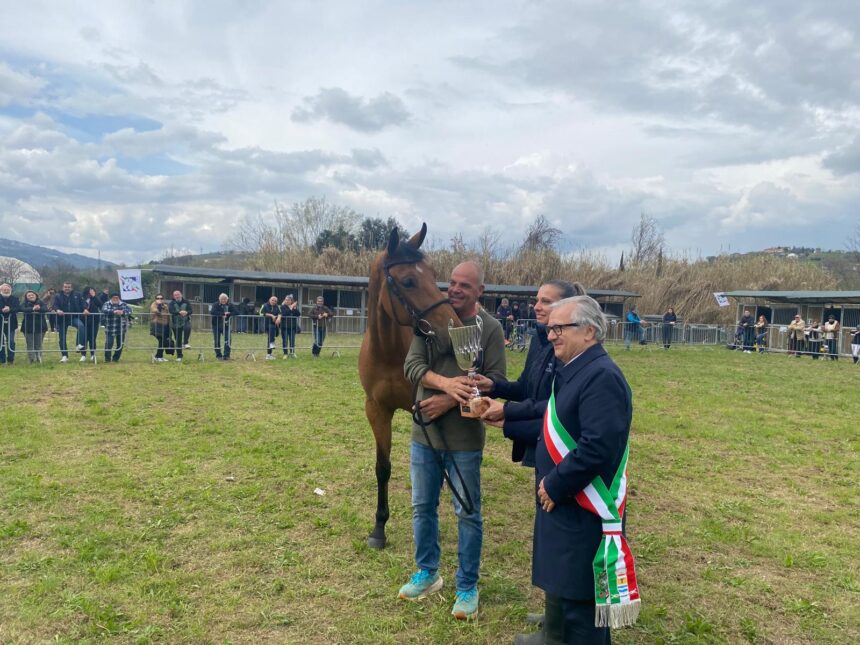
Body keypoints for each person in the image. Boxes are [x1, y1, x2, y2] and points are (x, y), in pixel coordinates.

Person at [526, 295, 638, 644]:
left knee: (583, 617)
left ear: (589, 331)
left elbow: (598, 446)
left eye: (560, 328)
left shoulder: (601, 377)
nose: (551, 336)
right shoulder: (578, 369)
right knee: (569, 600)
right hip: (569, 513)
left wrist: (555, 484)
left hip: (582, 514)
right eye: (549, 329)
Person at [399, 261, 506, 621]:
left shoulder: (489, 328)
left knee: (468, 512)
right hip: (424, 433)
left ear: (480, 291)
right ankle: (428, 573)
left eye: (464, 285)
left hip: (465, 439)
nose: (455, 290)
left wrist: (450, 399)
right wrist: (445, 384)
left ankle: (467, 586)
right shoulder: (428, 321)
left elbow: (495, 378)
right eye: (452, 284)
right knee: (422, 507)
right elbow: (412, 366)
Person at [52, 282, 86, 362]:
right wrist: (58, 310)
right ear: (63, 287)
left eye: (69, 287)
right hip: (62, 318)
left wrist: (85, 309)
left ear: (72, 288)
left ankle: (79, 344)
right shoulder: (58, 296)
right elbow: (55, 305)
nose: (67, 288)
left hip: (74, 317)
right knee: (62, 338)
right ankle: (64, 356)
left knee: (81, 326)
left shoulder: (77, 294)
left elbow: (83, 303)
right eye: (65, 287)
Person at [101, 293, 132, 362]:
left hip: (121, 328)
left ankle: (116, 359)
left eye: (117, 297)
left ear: (119, 298)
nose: (115, 299)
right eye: (114, 297)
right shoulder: (106, 303)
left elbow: (130, 311)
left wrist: (123, 312)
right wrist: (114, 311)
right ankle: (107, 359)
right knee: (109, 344)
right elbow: (104, 310)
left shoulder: (124, 304)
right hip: (109, 327)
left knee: (120, 345)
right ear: (111, 298)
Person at [21, 290, 47, 363]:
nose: (31, 296)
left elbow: (46, 309)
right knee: (30, 343)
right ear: (26, 297)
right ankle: (32, 359)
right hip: (27, 327)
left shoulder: (41, 302)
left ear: (36, 295)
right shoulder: (24, 303)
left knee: (38, 343)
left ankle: (39, 358)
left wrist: (39, 308)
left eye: (32, 295)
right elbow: (22, 309)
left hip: (40, 326)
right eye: (29, 295)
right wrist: (32, 309)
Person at [210, 293, 237, 360]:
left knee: (228, 340)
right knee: (217, 340)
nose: (223, 300)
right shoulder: (215, 304)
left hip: (226, 325)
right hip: (216, 325)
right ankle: (218, 355)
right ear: (219, 299)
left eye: (225, 299)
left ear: (227, 299)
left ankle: (226, 355)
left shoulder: (230, 305)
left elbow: (237, 312)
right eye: (222, 299)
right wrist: (222, 314)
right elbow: (212, 312)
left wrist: (229, 313)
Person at [169, 290, 193, 362]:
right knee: (178, 340)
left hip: (185, 321)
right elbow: (171, 311)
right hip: (175, 323)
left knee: (188, 328)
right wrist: (179, 312)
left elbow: (191, 310)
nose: (177, 296)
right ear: (174, 296)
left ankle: (185, 342)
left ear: (181, 295)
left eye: (178, 294)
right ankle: (179, 356)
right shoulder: (172, 303)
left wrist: (186, 312)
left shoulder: (186, 302)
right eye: (175, 295)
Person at [0, 283, 19, 364]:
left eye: (8, 289)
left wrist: (9, 309)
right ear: (1, 290)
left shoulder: (15, 298)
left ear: (10, 290)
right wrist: (2, 310)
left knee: (11, 341)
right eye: (4, 289)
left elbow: (17, 308)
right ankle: (2, 359)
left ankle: (10, 359)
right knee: (0, 342)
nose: (6, 290)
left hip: (11, 323)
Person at [80, 286, 101, 362]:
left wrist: (94, 296)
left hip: (94, 320)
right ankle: (83, 355)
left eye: (92, 291)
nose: (90, 293)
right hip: (84, 320)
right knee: (84, 338)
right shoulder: (82, 298)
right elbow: (81, 306)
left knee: (92, 338)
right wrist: (84, 309)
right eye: (89, 291)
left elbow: (100, 304)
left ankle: (93, 354)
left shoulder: (95, 298)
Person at [149, 295, 172, 362]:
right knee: (162, 340)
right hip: (156, 325)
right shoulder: (154, 304)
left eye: (161, 298)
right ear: (155, 299)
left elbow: (168, 316)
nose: (159, 299)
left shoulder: (165, 306)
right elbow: (155, 311)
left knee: (162, 341)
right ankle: (158, 357)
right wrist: (159, 306)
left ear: (163, 299)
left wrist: (168, 325)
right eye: (158, 298)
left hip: (164, 326)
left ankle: (159, 356)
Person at [279, 294, 301, 358]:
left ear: (291, 301)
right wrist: (291, 307)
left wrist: (294, 308)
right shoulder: (282, 307)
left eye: (289, 300)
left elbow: (298, 314)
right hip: (284, 327)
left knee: (292, 340)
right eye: (286, 300)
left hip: (292, 327)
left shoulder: (293, 307)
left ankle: (292, 352)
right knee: (285, 340)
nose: (287, 301)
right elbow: (284, 314)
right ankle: (285, 353)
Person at [261, 295, 281, 360]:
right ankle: (269, 354)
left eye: (275, 301)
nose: (274, 302)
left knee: (273, 337)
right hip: (268, 324)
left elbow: (280, 313)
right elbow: (261, 313)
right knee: (270, 339)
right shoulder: (265, 305)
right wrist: (271, 315)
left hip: (275, 325)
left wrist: (278, 318)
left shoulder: (277, 306)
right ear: (269, 299)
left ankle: (270, 353)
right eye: (272, 300)